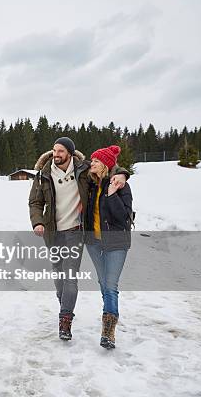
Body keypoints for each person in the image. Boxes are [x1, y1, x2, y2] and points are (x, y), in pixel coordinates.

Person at [28, 137, 129, 341]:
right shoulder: (43, 175)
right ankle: (64, 306)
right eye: (54, 150)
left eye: (61, 151)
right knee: (58, 276)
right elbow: (35, 202)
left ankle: (65, 320)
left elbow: (107, 167)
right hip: (52, 232)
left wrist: (122, 174)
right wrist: (37, 222)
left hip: (75, 231)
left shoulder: (83, 170)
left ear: (70, 153)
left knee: (71, 276)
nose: (56, 154)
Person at [84, 145, 133, 349]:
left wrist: (112, 194)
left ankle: (108, 331)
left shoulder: (121, 186)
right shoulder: (92, 184)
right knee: (103, 283)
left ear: (105, 164)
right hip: (94, 243)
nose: (91, 163)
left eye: (95, 160)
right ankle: (109, 316)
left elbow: (123, 218)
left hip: (116, 244)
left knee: (111, 286)